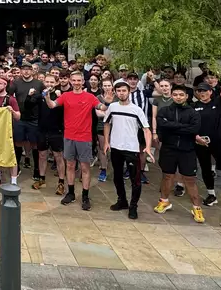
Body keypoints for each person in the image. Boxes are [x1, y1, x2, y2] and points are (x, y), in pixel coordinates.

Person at [45, 70, 105, 210]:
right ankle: (70, 193)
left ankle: (85, 196)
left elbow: (101, 107)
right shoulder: (66, 96)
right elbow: (52, 105)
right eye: (74, 80)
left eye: (79, 80)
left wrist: (107, 103)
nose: (77, 83)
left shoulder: (90, 97)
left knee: (84, 167)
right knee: (70, 166)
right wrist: (47, 97)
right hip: (69, 136)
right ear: (70, 81)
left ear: (83, 82)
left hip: (84, 137)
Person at [154, 85, 204, 223]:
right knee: (167, 176)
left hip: (187, 150)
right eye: (175, 94)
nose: (178, 97)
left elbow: (194, 129)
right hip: (168, 149)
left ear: (186, 96)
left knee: (190, 179)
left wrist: (172, 126)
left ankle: (196, 207)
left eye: (181, 95)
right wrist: (182, 128)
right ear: (171, 95)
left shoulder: (193, 113)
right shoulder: (164, 110)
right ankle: (164, 201)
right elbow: (161, 125)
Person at [103, 81, 153, 219]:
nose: (121, 93)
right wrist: (106, 142)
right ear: (115, 92)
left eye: (124, 91)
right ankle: (122, 201)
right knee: (117, 176)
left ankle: (133, 206)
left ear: (128, 92)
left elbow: (146, 129)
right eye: (118, 91)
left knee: (135, 179)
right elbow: (106, 124)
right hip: (116, 147)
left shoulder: (136, 109)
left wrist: (148, 147)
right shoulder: (112, 107)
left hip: (131, 149)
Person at [191, 81, 221, 207]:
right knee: (205, 168)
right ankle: (211, 194)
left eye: (205, 91)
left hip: (219, 142)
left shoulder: (217, 103)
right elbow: (189, 125)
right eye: (199, 91)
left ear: (210, 92)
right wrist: (196, 137)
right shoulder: (193, 106)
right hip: (201, 143)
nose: (202, 93)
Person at [11, 62, 46, 180]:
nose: (26, 71)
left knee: (34, 144)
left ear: (32, 71)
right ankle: (17, 167)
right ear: (20, 71)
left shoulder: (39, 84)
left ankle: (36, 168)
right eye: (23, 69)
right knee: (18, 142)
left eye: (28, 69)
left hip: (34, 118)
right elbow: (9, 95)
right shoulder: (16, 82)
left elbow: (45, 97)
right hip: (19, 117)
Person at [33, 74, 66, 195]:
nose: (49, 84)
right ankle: (41, 179)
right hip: (42, 130)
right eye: (47, 82)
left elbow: (62, 110)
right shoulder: (40, 95)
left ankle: (61, 182)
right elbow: (28, 104)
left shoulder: (59, 96)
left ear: (56, 83)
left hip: (56, 130)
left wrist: (58, 96)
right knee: (42, 155)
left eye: (52, 82)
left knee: (58, 156)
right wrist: (31, 95)